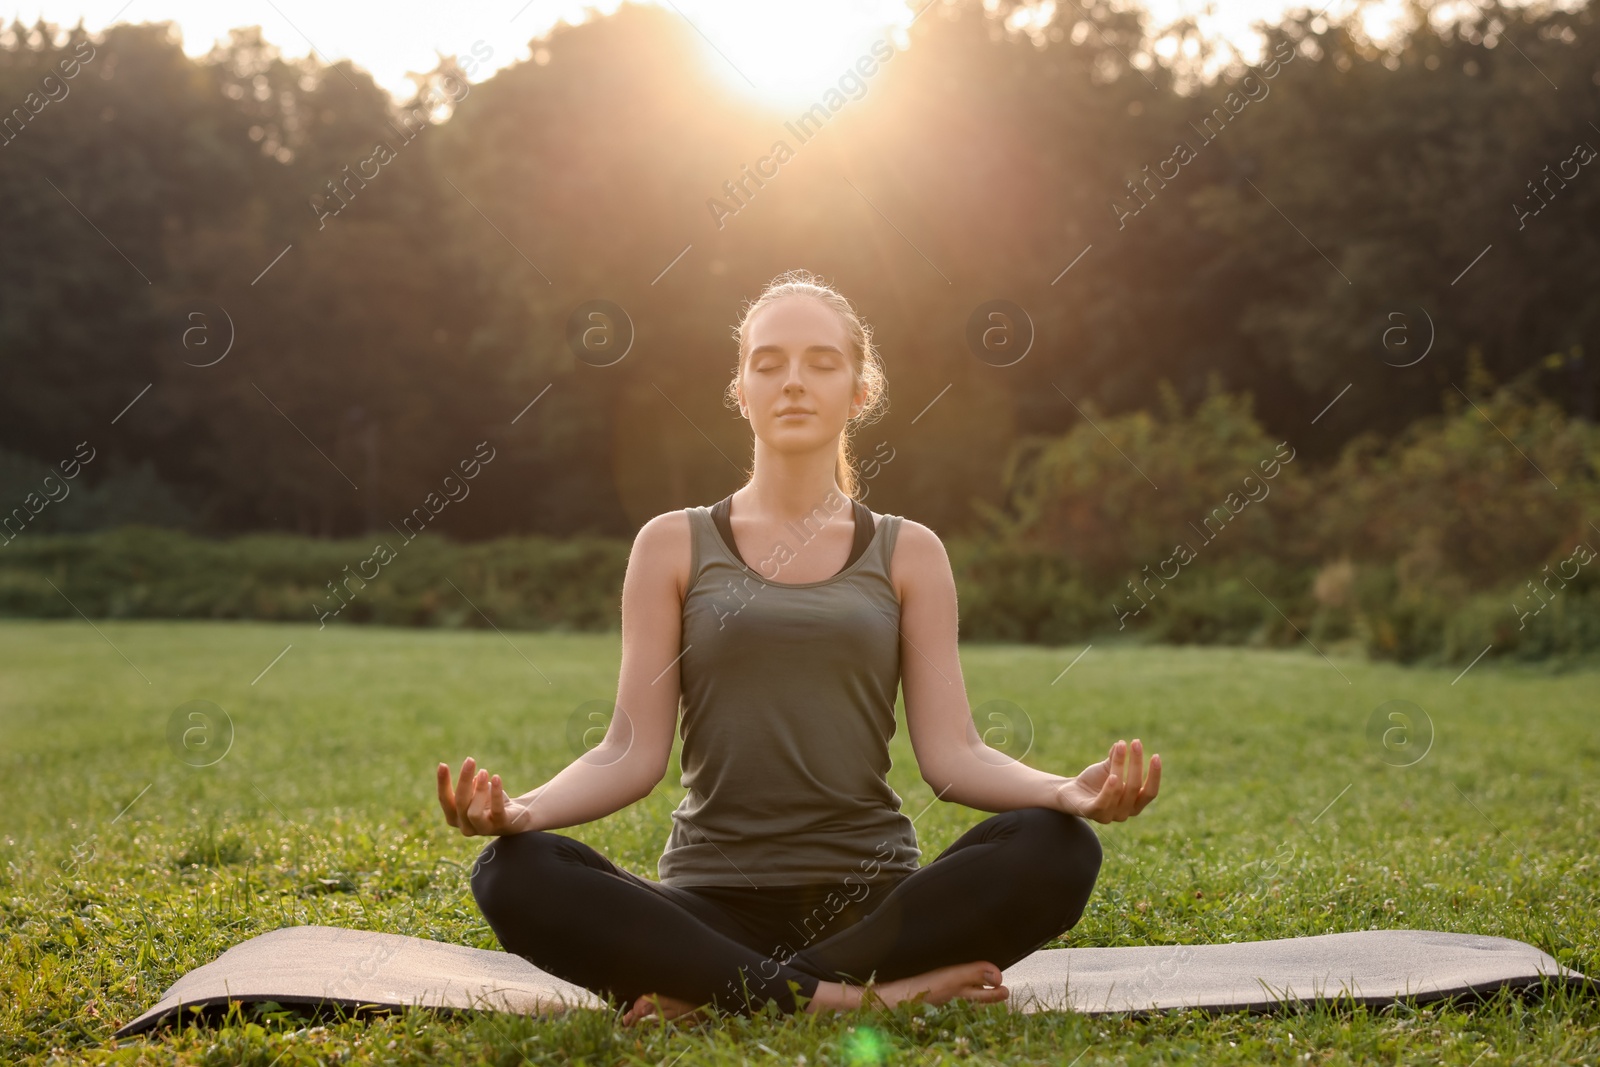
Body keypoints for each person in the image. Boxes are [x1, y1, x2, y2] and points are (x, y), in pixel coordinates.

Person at [435, 268, 1161, 1025]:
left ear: (859, 390)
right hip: (706, 908)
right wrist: (523, 811)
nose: (792, 382)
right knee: (514, 872)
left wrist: (1062, 792)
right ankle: (853, 1003)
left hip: (874, 910)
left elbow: (955, 755)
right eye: (768, 361)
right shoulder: (671, 544)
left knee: (1059, 848)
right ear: (740, 389)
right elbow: (627, 751)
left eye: (821, 361)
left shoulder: (909, 551)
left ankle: (729, 997)